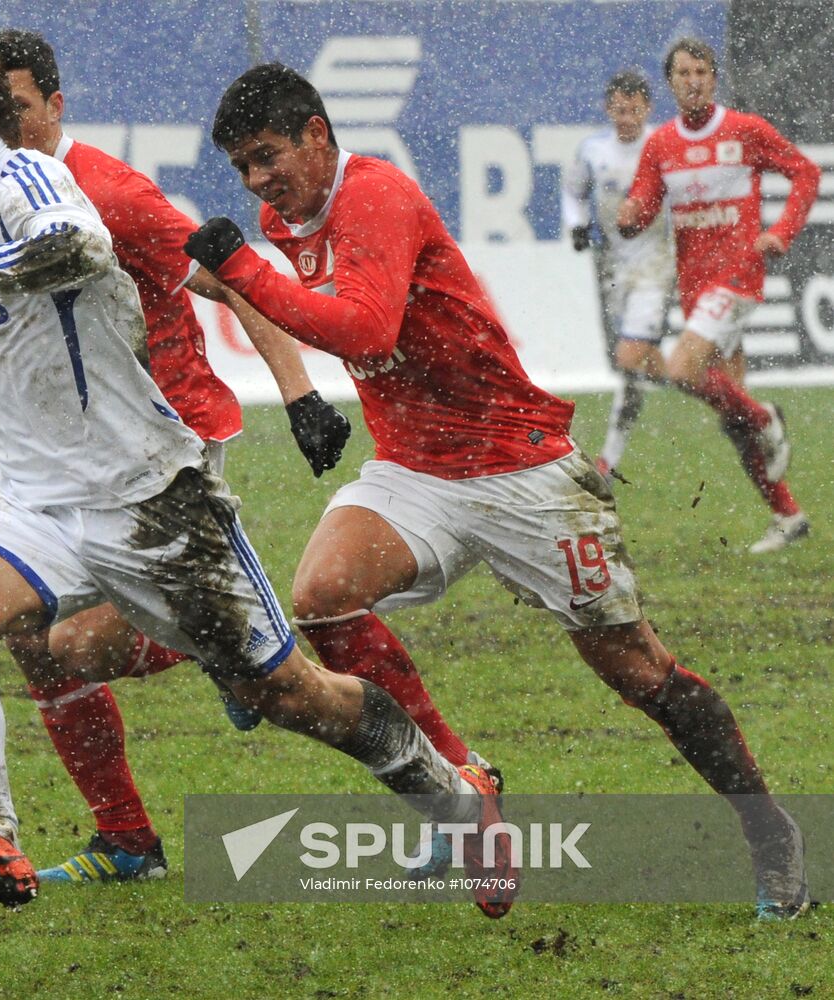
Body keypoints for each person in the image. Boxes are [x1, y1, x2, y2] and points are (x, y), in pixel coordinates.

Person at [0, 30, 517, 920]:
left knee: (292, 695)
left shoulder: (35, 182)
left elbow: (77, 252)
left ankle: (452, 795)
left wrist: (296, 393)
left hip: (150, 499)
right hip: (45, 507)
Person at [184, 61, 809, 920]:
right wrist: (297, 388)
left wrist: (244, 275)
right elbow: (292, 301)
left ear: (318, 136)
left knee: (639, 673)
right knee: (324, 596)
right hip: (417, 465)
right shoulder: (280, 219)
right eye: (241, 168)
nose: (258, 182)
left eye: (268, 157)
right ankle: (465, 786)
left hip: (521, 466)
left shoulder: (377, 196)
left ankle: (769, 833)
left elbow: (367, 326)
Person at [617, 37, 818, 554]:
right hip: (696, 289)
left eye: (701, 71)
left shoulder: (745, 130)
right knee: (731, 419)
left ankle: (767, 418)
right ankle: (788, 515)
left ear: (713, 77)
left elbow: (805, 172)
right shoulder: (661, 145)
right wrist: (629, 213)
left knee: (683, 368)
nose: (693, 80)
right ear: (670, 83)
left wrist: (782, 233)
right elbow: (642, 207)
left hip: (739, 277)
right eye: (683, 73)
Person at [561, 71, 675, 480]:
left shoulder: (663, 144)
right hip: (613, 267)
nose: (627, 118)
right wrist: (577, 223)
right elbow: (573, 190)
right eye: (620, 109)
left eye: (635, 109)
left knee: (630, 359)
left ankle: (608, 460)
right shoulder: (593, 150)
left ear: (648, 108)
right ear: (608, 109)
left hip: (657, 266)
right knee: (630, 361)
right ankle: (713, 387)